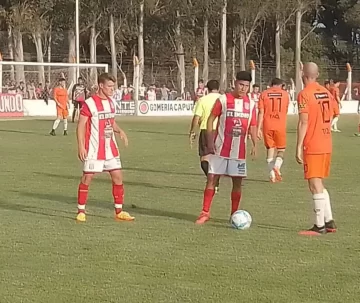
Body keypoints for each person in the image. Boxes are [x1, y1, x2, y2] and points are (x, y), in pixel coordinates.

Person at [195, 71, 257, 225]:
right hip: (220, 149)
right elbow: (210, 119)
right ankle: (205, 213)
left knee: (237, 183)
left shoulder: (252, 104)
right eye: (241, 85)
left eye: (247, 86)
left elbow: (253, 125)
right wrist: (210, 141)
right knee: (212, 179)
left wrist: (255, 144)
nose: (243, 88)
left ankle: (234, 214)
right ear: (234, 83)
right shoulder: (223, 100)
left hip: (239, 152)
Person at [76, 73, 134, 222]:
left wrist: (120, 131)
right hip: (94, 148)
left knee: (118, 177)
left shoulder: (112, 103)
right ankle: (81, 211)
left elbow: (110, 122)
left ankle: (119, 211)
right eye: (109, 86)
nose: (112, 90)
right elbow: (81, 125)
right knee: (87, 178)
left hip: (110, 148)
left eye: (113, 87)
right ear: (101, 86)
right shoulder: (89, 103)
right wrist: (81, 146)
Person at [296, 62, 337, 236]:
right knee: (319, 181)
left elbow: (304, 121)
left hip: (313, 143)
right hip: (326, 141)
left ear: (302, 74)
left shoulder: (304, 94)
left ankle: (319, 226)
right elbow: (335, 111)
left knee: (314, 183)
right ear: (317, 74)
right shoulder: (326, 92)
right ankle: (329, 222)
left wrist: (298, 146)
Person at [189, 80, 221, 192]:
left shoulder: (202, 100)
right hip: (221, 131)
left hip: (206, 130)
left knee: (204, 158)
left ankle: (211, 180)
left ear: (207, 88)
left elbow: (196, 117)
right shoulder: (224, 99)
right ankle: (215, 181)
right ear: (219, 87)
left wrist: (192, 131)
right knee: (218, 158)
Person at [257, 78, 290, 182]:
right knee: (281, 149)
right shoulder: (285, 95)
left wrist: (258, 128)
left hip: (267, 125)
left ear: (271, 84)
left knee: (270, 149)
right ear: (280, 85)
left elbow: (261, 112)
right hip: (280, 124)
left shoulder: (264, 94)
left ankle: (272, 175)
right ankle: (276, 166)